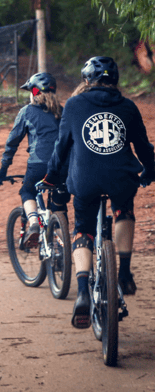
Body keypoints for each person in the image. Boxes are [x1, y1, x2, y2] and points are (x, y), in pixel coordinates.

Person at [44, 56, 155, 329]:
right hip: (121, 178)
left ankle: (82, 292)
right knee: (124, 211)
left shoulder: (74, 105)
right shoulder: (128, 107)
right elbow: (143, 147)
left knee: (83, 228)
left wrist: (51, 177)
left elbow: (61, 147)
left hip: (85, 180)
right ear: (115, 80)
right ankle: (124, 273)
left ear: (87, 80)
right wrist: (149, 171)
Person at [0, 72, 70, 247]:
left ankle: (34, 223)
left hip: (39, 165)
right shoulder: (63, 111)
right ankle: (62, 245)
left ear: (34, 93)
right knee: (59, 206)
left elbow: (12, 143)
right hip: (64, 167)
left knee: (27, 191)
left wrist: (3, 170)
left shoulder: (27, 112)